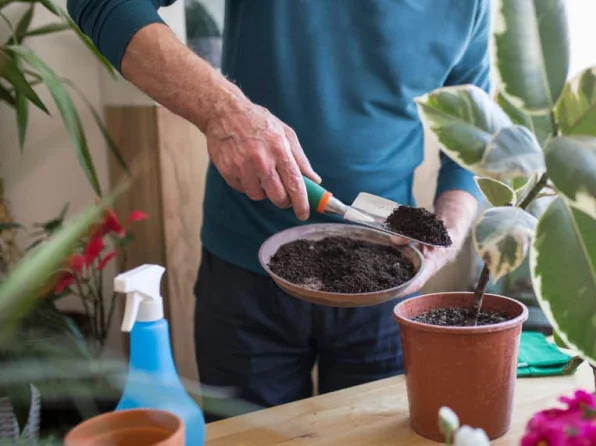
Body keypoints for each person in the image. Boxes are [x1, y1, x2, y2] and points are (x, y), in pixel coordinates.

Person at [68, 0, 487, 419]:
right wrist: (224, 110)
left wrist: (443, 235)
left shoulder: (471, 8)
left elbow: (473, 150)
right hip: (246, 282)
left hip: (385, 287)